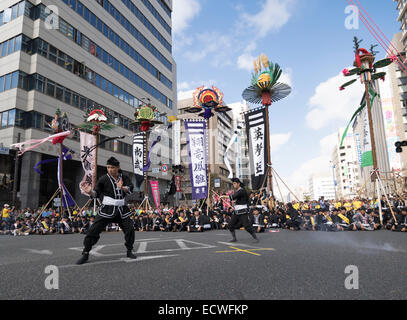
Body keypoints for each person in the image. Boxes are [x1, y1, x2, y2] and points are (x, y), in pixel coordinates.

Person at [76, 157, 136, 265]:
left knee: (130, 229)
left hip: (122, 209)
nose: (110, 169)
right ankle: (85, 253)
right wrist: (90, 192)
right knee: (93, 230)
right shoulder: (103, 179)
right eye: (108, 167)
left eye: (112, 167)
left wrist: (122, 187)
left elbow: (131, 188)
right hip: (107, 209)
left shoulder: (124, 177)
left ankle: (129, 250)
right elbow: (97, 193)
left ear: (118, 167)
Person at [228, 178, 259, 243]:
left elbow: (233, 197)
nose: (233, 185)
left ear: (238, 184)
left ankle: (255, 237)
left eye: (235, 183)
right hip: (236, 211)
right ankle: (234, 238)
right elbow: (236, 200)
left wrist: (223, 196)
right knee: (230, 224)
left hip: (242, 211)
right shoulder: (238, 191)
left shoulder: (242, 191)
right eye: (233, 183)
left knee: (247, 226)